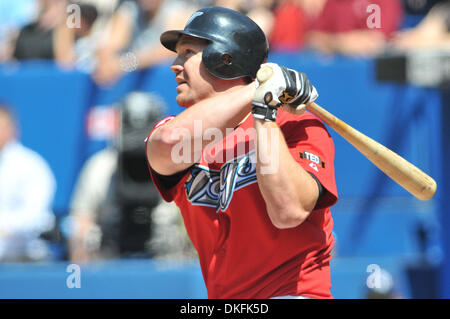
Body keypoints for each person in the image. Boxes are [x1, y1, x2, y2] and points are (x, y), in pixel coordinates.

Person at [146, 7, 338, 299]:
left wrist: (263, 112)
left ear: (225, 59)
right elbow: (168, 142)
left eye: (187, 52)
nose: (175, 64)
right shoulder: (181, 131)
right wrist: (259, 91)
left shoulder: (296, 124)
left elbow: (289, 211)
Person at [69, 91, 195, 262]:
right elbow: (80, 222)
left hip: (167, 260)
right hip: (111, 260)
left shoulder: (180, 165)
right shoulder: (99, 166)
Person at [93, 0, 197, 86]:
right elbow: (112, 43)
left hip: (165, 85)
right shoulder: (130, 9)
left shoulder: (177, 9)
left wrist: (126, 64)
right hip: (134, 84)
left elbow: (171, 48)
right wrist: (106, 61)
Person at [0, 105, 56, 262]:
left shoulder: (30, 165)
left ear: (12, 129)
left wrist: (5, 227)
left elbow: (36, 216)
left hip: (25, 257)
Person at [306, 0, 404, 57]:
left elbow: (375, 41)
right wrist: (341, 43)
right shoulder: (334, 2)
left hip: (371, 76)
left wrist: (332, 43)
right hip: (337, 73)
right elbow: (314, 38)